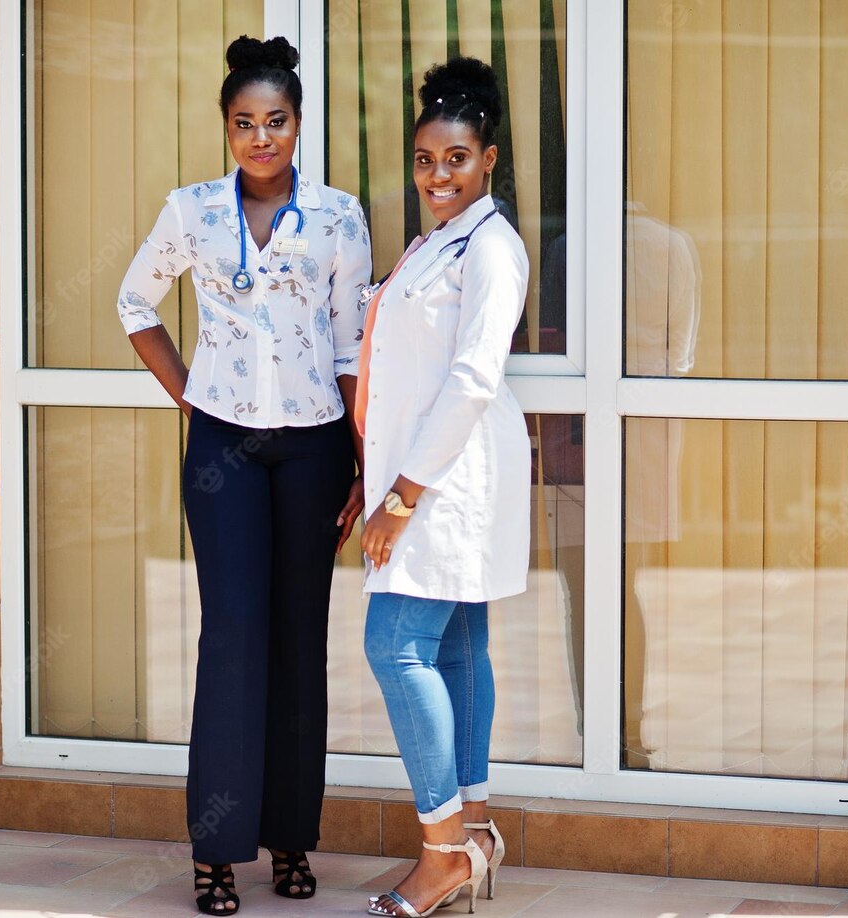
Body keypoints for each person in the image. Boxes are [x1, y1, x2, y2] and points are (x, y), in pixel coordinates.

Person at [113, 35, 372, 916]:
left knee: (300, 639)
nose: (261, 137)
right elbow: (135, 302)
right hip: (223, 448)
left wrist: (361, 459)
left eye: (276, 121)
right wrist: (191, 397)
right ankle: (216, 852)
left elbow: (347, 346)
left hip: (313, 447)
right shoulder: (191, 213)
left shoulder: (338, 217)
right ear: (226, 129)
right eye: (244, 124)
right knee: (230, 640)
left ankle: (293, 841)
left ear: (299, 124)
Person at [356, 57, 530, 917]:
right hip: (425, 475)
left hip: (448, 480)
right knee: (457, 650)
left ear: (489, 158)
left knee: (394, 646)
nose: (439, 176)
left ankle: (440, 855)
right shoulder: (436, 243)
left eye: (456, 159)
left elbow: (469, 379)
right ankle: (477, 831)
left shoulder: (493, 247)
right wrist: (374, 478)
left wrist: (401, 498)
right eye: (426, 161)